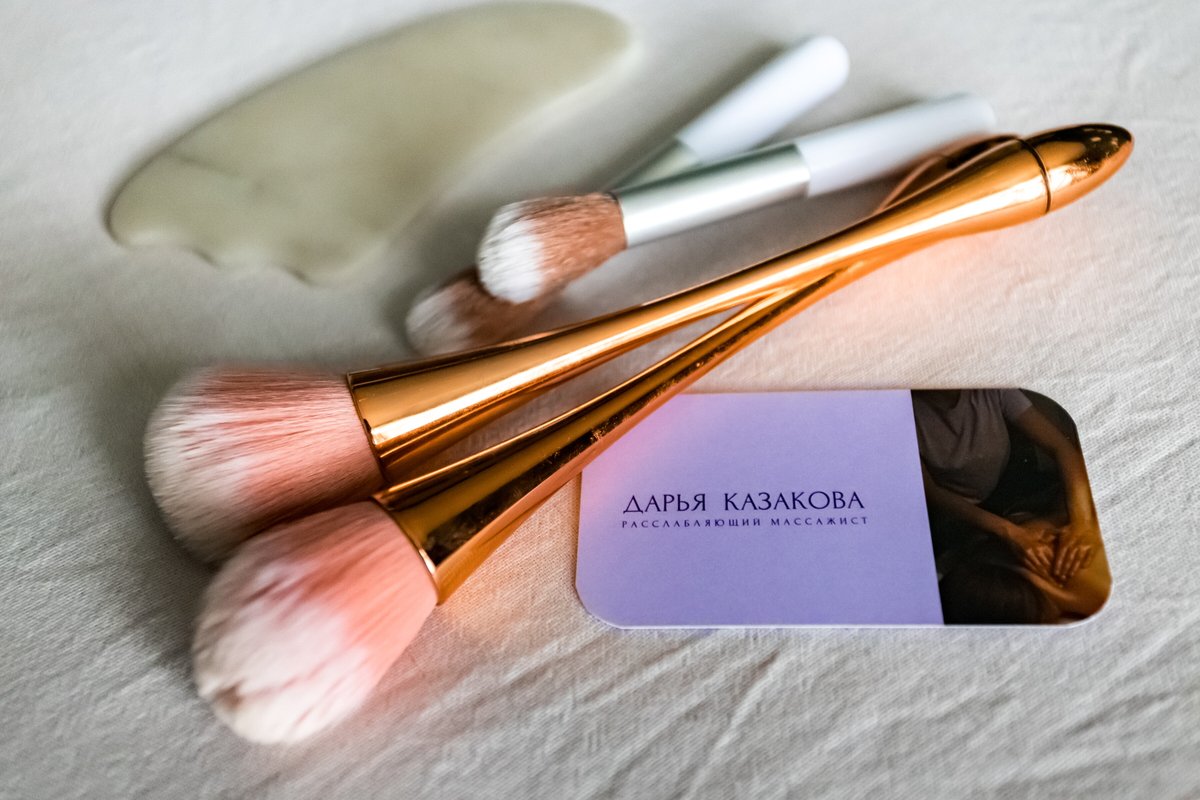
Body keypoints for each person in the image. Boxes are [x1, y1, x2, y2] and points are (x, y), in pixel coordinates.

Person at [912, 389, 1102, 589]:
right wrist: (1011, 532)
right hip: (957, 513)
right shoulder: (904, 415)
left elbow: (1061, 448)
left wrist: (1083, 525)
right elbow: (932, 492)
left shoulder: (990, 388)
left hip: (1008, 486)